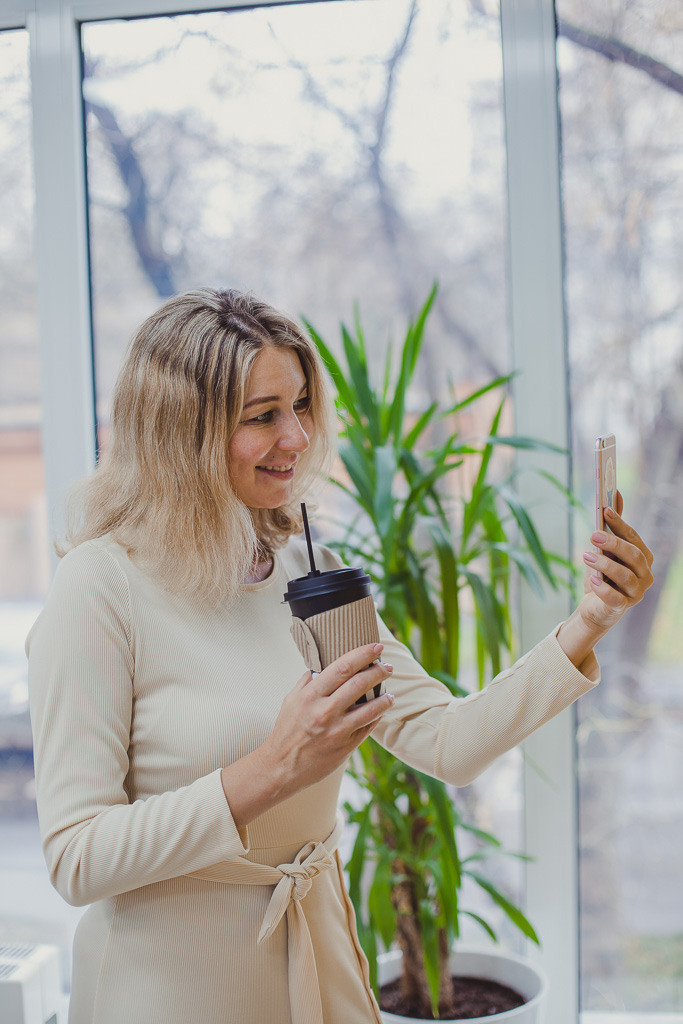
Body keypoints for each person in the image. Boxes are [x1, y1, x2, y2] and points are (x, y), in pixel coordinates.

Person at [27, 288, 653, 1024]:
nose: (296, 436)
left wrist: (590, 619)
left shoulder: (303, 573)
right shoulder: (100, 588)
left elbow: (447, 743)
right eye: (262, 416)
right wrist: (274, 767)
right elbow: (76, 857)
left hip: (315, 968)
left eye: (299, 405)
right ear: (181, 431)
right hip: (168, 990)